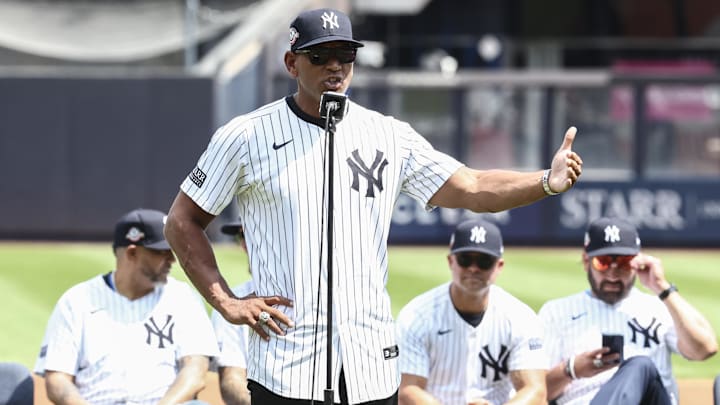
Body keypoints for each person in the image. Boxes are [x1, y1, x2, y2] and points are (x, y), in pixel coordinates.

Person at [164, 7, 583, 405]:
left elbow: (472, 186)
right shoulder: (245, 135)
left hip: (370, 362)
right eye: (320, 55)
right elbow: (182, 221)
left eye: (345, 53)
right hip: (285, 363)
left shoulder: (387, 134)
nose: (335, 65)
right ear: (292, 64)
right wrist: (228, 302)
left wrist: (545, 181)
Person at [34, 208, 218, 405]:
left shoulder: (183, 298)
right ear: (132, 253)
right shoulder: (76, 301)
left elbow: (195, 369)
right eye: (162, 252)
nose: (172, 260)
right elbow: (58, 380)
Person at [538, 217, 717, 405]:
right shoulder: (556, 312)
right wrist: (571, 369)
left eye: (624, 263)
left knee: (640, 366)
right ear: (586, 261)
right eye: (603, 262)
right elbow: (536, 391)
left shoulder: (658, 307)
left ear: (637, 262)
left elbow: (704, 349)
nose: (613, 275)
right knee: (639, 365)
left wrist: (662, 288)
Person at [396, 218, 547, 405]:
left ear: (499, 266)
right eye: (465, 259)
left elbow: (535, 390)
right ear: (451, 261)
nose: (473, 268)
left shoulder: (520, 318)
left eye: (484, 261)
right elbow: (408, 390)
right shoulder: (416, 316)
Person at [210, 221, 252, 405]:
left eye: (253, 233)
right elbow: (232, 379)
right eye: (242, 236)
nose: (244, 243)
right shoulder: (231, 302)